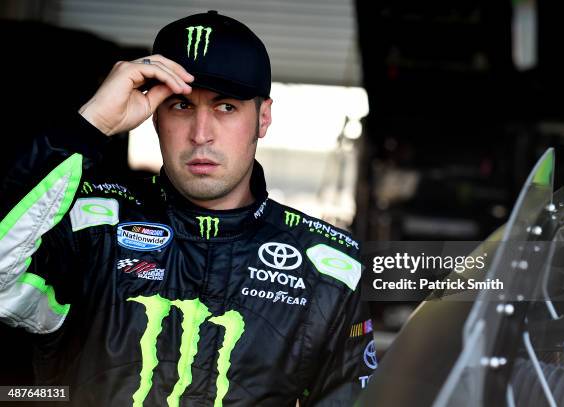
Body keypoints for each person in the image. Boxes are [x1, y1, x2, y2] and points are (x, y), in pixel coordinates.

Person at [0, 11, 376, 406]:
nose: (201, 134)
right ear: (155, 117)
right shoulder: (89, 224)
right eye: (180, 106)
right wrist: (90, 124)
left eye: (225, 107)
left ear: (262, 117)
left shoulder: (329, 268)